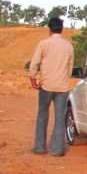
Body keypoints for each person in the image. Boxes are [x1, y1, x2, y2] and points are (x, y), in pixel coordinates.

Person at [29, 17, 74, 156]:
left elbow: (34, 64)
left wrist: (33, 79)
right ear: (61, 29)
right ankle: (57, 149)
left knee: (43, 115)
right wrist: (65, 79)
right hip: (62, 86)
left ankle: (40, 147)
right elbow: (70, 68)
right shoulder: (68, 46)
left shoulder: (43, 44)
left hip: (46, 85)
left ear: (49, 29)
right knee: (60, 117)